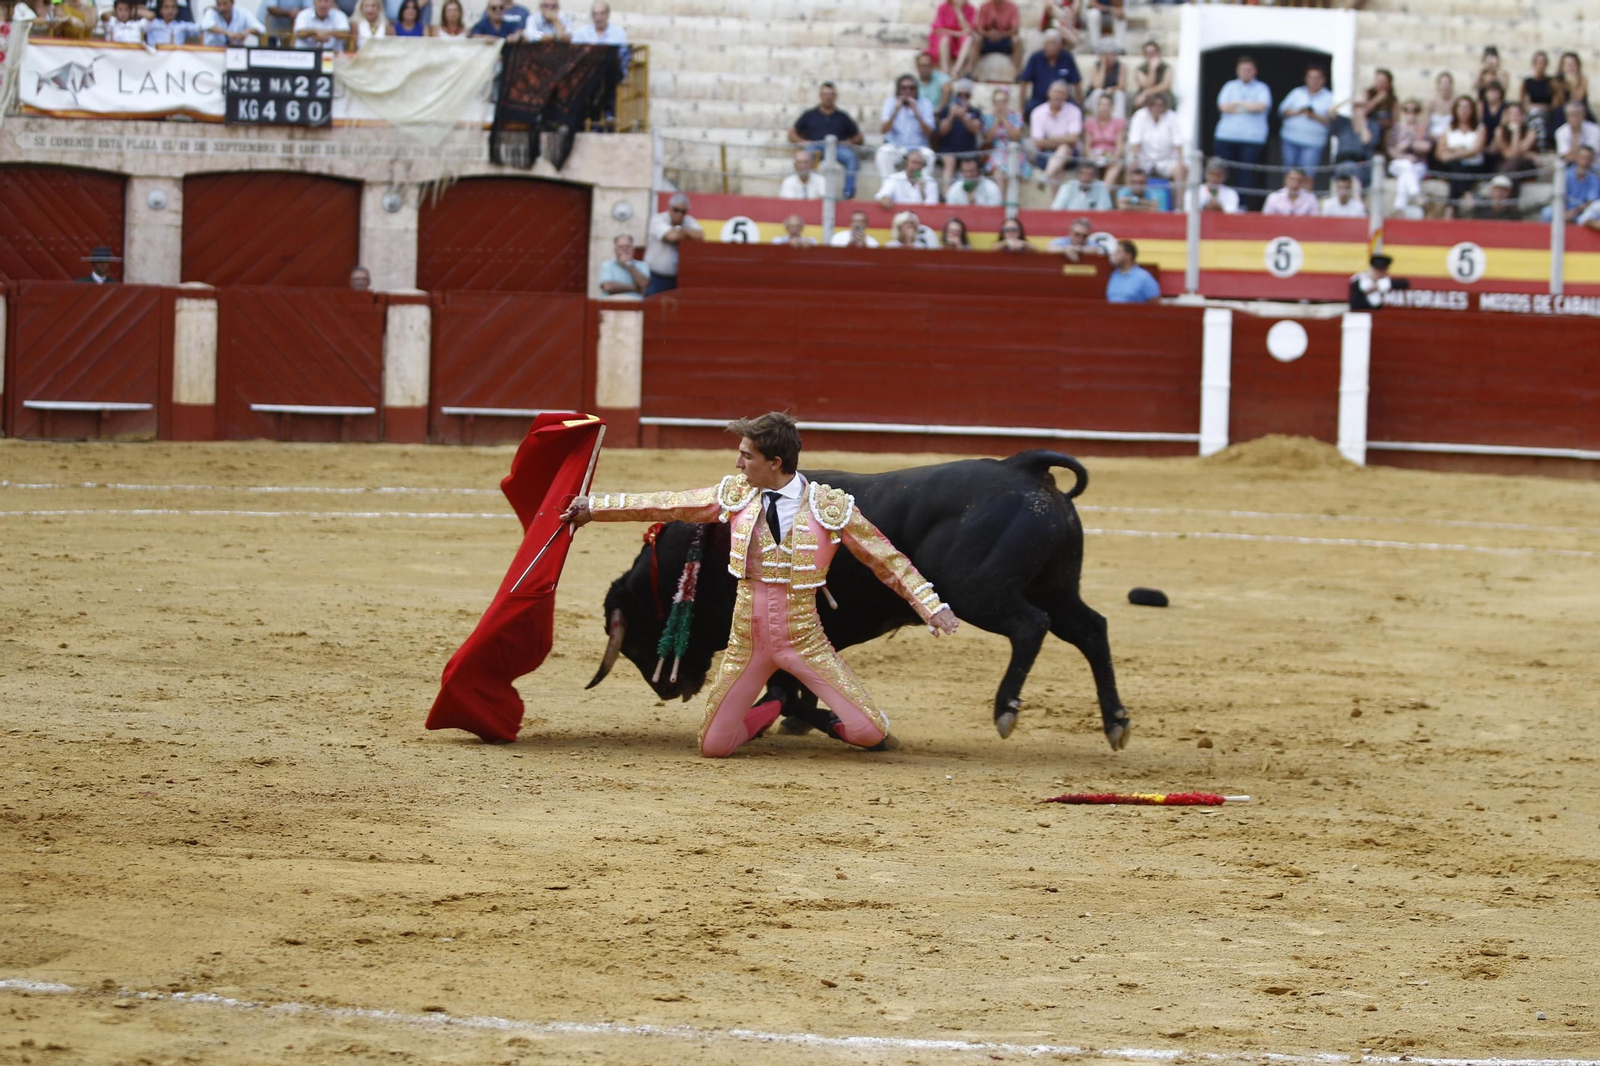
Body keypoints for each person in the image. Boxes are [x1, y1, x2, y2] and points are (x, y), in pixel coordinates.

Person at [561, 413, 957, 758]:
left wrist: (930, 606)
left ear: (775, 462)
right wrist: (593, 508)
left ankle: (821, 714)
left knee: (869, 733)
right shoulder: (734, 497)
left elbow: (885, 558)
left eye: (746, 455)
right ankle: (773, 706)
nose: (738, 463)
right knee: (713, 746)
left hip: (806, 643)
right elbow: (667, 504)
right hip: (746, 643)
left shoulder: (830, 507)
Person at [789, 82, 863, 199]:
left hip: (837, 148)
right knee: (804, 159)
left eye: (831, 94)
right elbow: (792, 134)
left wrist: (848, 142)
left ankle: (848, 193)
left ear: (835, 96)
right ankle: (806, 194)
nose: (828, 97)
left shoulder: (842, 116)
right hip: (816, 146)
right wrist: (803, 142)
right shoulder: (809, 115)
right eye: (825, 94)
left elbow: (859, 137)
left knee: (851, 158)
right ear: (820, 96)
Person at [1213, 55, 1272, 199]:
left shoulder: (1262, 88)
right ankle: (1220, 201)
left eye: (1248, 69)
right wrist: (1249, 106)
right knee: (1222, 171)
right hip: (1226, 136)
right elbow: (1223, 107)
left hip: (1252, 138)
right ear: (1237, 71)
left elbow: (1261, 106)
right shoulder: (1229, 86)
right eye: (1242, 69)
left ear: (1254, 71)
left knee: (1246, 173)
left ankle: (1242, 204)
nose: (1245, 72)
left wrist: (1238, 103)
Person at [876, 73, 937, 182]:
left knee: (929, 155)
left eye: (911, 88)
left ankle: (920, 188)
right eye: (904, 88)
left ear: (916, 89)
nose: (908, 91)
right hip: (896, 147)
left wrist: (917, 113)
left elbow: (929, 132)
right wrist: (896, 111)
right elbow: (883, 130)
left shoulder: (925, 103)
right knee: (883, 153)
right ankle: (889, 188)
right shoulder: (890, 102)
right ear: (898, 90)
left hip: (918, 148)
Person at [1436, 95, 1487, 218]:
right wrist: (1461, 151)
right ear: (1455, 110)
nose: (1464, 110)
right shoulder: (1449, 129)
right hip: (1455, 166)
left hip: (1473, 166)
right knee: (1456, 165)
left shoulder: (1480, 128)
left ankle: (1450, 207)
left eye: (1467, 107)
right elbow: (1440, 152)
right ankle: (1466, 192)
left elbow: (1476, 150)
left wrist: (1454, 152)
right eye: (1461, 107)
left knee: (1456, 167)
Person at [643, 193, 704, 295]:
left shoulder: (689, 220)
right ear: (669, 208)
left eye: (683, 211)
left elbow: (700, 235)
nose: (679, 214)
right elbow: (671, 237)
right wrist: (687, 234)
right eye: (676, 210)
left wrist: (680, 230)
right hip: (656, 277)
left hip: (679, 278)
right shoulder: (658, 219)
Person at [1278, 66, 1333, 176]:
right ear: (1306, 79)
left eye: (1317, 78)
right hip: (1290, 139)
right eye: (1311, 77)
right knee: (1289, 174)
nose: (1314, 81)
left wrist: (1315, 116)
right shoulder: (1296, 93)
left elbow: (1333, 122)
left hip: (1313, 143)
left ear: (1323, 80)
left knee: (1307, 175)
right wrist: (1299, 111)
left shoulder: (1330, 97)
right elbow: (1282, 111)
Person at [1126, 93, 1186, 187]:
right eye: (1154, 104)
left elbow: (1178, 141)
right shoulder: (1139, 116)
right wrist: (1135, 160)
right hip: (1143, 160)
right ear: (1149, 106)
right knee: (1130, 167)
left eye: (1160, 105)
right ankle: (1130, 199)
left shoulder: (1171, 116)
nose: (1157, 108)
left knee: (1181, 170)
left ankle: (1179, 202)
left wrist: (1180, 161)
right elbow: (1135, 141)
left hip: (1166, 160)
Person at [935, 78, 986, 187]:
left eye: (966, 95)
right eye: (960, 95)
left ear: (970, 96)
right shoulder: (946, 110)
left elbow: (976, 130)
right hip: (948, 150)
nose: (962, 98)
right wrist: (950, 117)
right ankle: (946, 196)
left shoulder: (975, 112)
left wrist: (964, 116)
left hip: (968, 150)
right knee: (950, 161)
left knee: (970, 165)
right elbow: (941, 132)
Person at [1385, 100, 1434, 215]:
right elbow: (1392, 150)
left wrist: (1410, 143)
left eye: (1415, 110)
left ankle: (1399, 207)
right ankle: (1416, 194)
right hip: (1399, 163)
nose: (1411, 113)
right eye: (1407, 110)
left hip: (1417, 165)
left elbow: (1427, 147)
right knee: (1406, 165)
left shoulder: (1423, 129)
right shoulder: (1397, 129)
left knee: (1405, 175)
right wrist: (1405, 156)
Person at [1018, 29, 1080, 117]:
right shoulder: (1035, 58)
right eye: (1048, 43)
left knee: (1076, 110)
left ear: (1059, 45)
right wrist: (1021, 107)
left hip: (1063, 100)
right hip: (1039, 99)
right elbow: (1024, 81)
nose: (1050, 46)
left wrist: (1079, 105)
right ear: (1044, 45)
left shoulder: (1067, 58)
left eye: (1053, 43)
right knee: (1029, 108)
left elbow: (1076, 82)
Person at [1029, 79, 1082, 180]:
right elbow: (1039, 143)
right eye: (1056, 92)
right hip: (1045, 154)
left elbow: (1073, 140)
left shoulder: (1074, 111)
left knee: (1064, 149)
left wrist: (1051, 137)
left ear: (1066, 96)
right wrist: (1064, 140)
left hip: (1070, 156)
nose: (1058, 95)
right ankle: (1050, 182)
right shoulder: (1038, 112)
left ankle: (1046, 176)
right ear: (1049, 93)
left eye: (1062, 93)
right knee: (1061, 155)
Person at [1545, 145, 1600, 223]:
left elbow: (1591, 202)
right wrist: (1565, 212)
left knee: (1590, 217)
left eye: (1588, 158)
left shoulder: (1594, 178)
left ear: (1592, 160)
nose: (1585, 161)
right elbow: (1559, 197)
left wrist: (1573, 212)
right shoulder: (1565, 174)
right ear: (1576, 157)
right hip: (1564, 209)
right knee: (1547, 213)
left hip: (1582, 212)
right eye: (1582, 157)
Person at [1080, 91, 1125, 186]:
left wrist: (1113, 158)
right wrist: (1093, 158)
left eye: (1107, 105)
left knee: (1116, 165)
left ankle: (1104, 192)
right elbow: (1087, 146)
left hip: (1111, 156)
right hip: (1094, 155)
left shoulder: (1119, 123)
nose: (1104, 107)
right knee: (1090, 168)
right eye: (1101, 104)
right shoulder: (1089, 123)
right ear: (1097, 106)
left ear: (1112, 107)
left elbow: (1120, 146)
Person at [982, 87, 1028, 179]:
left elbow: (1015, 137)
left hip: (1013, 150)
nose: (1000, 104)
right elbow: (987, 140)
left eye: (1003, 101)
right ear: (993, 103)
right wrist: (997, 121)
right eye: (997, 101)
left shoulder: (1016, 116)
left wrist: (1004, 120)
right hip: (996, 151)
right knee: (998, 170)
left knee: (1012, 166)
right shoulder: (988, 118)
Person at [1328, 103, 1376, 189]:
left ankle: (1355, 198)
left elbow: (1366, 140)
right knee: (1344, 169)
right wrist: (1349, 100)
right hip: (1341, 163)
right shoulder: (1344, 123)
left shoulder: (1372, 125)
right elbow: (1331, 111)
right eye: (1355, 107)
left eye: (1361, 107)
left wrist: (1362, 123)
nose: (1357, 110)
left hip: (1360, 166)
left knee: (1350, 169)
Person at [926, 0, 977, 78]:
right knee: (944, 39)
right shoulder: (943, 7)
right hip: (947, 38)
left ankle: (955, 70)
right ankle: (945, 70)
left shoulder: (971, 9)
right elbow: (938, 29)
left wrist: (959, 12)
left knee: (969, 39)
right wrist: (956, 33)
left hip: (960, 41)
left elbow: (968, 30)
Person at [875, 150, 940, 208]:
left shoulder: (930, 181)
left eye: (919, 163)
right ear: (906, 163)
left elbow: (932, 206)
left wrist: (922, 192)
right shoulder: (894, 178)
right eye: (914, 163)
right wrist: (884, 198)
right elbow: (882, 194)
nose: (917, 167)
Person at [1492, 102, 1539, 182]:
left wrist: (1516, 132)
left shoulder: (1531, 132)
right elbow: (1508, 155)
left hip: (1524, 166)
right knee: (1511, 166)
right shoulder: (1499, 131)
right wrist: (1527, 154)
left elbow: (1515, 154)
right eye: (1511, 114)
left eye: (1517, 114)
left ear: (1522, 116)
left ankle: (1502, 183)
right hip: (1507, 164)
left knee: (1515, 162)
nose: (1514, 116)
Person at [976, 0, 1022, 78]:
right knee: (976, 39)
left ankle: (1017, 74)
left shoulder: (1012, 7)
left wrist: (1002, 35)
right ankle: (969, 72)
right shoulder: (985, 6)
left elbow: (1015, 29)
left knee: (1016, 40)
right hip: (988, 39)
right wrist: (989, 34)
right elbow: (979, 28)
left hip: (1005, 39)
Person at [1106, 239, 1158, 303]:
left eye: (1118, 252)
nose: (1114, 255)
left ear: (1128, 255)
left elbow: (1155, 303)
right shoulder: (1113, 276)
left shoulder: (1144, 277)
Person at [1522, 50, 1555, 149]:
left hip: (1547, 113)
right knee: (1536, 117)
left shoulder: (1551, 82)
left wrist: (1542, 107)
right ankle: (1541, 145)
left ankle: (1539, 144)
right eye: (1539, 62)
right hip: (1532, 113)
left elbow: (1555, 103)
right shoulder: (1527, 82)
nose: (1541, 65)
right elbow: (1524, 102)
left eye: (1543, 62)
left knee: (1537, 117)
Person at [1131, 39, 1173, 114]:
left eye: (1152, 53)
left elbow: (1165, 86)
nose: (1150, 56)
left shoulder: (1166, 68)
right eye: (1147, 53)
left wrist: (1147, 92)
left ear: (1158, 53)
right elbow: (1147, 85)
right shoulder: (1140, 69)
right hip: (1146, 94)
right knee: (1138, 102)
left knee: (1161, 101)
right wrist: (1152, 69)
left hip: (1162, 94)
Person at [1085, 50, 1126, 122]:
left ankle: (1118, 122)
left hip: (1111, 95)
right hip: (1094, 98)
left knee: (1120, 94)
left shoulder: (1120, 66)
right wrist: (1103, 66)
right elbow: (1097, 85)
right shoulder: (1096, 66)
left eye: (1111, 55)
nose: (1109, 58)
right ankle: (1097, 121)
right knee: (1098, 92)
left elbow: (1122, 85)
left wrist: (1112, 89)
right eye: (1106, 55)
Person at [1362, 68, 1397, 140]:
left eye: (1383, 81)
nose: (1380, 83)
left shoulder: (1392, 100)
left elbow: (1396, 121)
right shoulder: (1367, 94)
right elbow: (1362, 112)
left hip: (1385, 132)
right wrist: (1377, 100)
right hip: (1369, 129)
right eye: (1378, 80)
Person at [1426, 72, 1455, 139]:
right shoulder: (1431, 103)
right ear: (1438, 85)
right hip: (1433, 137)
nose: (1445, 86)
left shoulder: (1455, 103)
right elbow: (1425, 124)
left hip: (1451, 137)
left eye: (1447, 83)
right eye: (1443, 83)